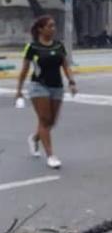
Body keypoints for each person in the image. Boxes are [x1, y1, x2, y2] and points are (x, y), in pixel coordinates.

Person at [15, 14, 77, 169]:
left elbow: (65, 66)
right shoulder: (32, 47)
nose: (53, 29)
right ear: (40, 29)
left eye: (54, 26)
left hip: (57, 86)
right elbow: (24, 69)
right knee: (44, 119)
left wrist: (72, 82)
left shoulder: (58, 46)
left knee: (52, 122)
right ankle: (51, 155)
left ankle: (35, 138)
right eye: (50, 26)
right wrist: (19, 90)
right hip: (38, 86)